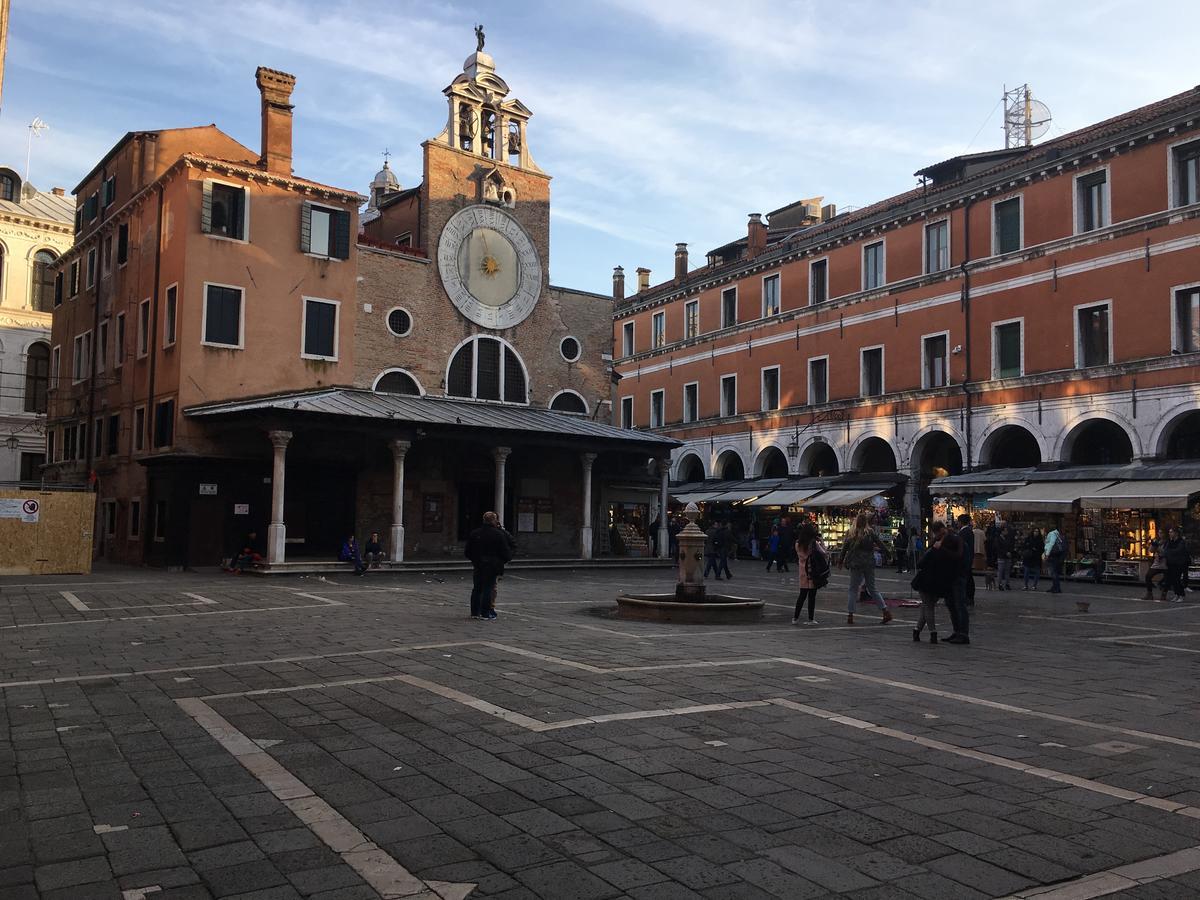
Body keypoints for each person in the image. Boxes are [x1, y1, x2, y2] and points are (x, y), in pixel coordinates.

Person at [839, 513, 892, 625]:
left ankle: (850, 615)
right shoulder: (870, 532)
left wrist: (840, 561)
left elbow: (844, 548)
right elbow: (880, 544)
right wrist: (888, 554)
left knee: (853, 589)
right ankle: (885, 611)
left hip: (856, 563)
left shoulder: (851, 533)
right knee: (872, 588)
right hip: (868, 563)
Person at [912, 524, 960, 644]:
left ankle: (933, 633)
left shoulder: (935, 547)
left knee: (927, 606)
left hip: (927, 579)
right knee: (927, 606)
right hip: (941, 581)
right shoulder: (951, 548)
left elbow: (921, 563)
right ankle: (917, 631)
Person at [464, 511, 513, 620]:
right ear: (494, 520)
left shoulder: (475, 533)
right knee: (488, 588)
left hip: (478, 564)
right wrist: (504, 560)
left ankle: (474, 612)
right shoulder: (498, 534)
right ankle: (485, 613)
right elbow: (505, 551)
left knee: (477, 588)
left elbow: (468, 551)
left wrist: (475, 560)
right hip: (492, 565)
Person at [947, 514, 974, 643]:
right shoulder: (965, 534)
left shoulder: (964, 536)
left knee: (959, 604)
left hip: (959, 574)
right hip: (956, 574)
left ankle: (962, 633)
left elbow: (963, 556)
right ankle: (957, 631)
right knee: (953, 604)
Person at [793, 522, 827, 625]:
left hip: (803, 573)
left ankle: (795, 618)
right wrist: (821, 542)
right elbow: (824, 553)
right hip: (813, 572)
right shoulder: (813, 544)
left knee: (802, 596)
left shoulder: (798, 544)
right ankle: (811, 618)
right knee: (812, 597)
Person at [1162, 527, 1191, 602]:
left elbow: (1178, 551)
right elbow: (1165, 550)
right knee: (1173, 579)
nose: (1170, 533)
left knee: (1177, 579)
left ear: (1176, 533)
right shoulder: (1169, 541)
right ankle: (1176, 594)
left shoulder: (1181, 541)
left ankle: (1181, 595)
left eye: (1171, 532)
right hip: (1170, 562)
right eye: (1169, 532)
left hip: (1179, 563)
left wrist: (1169, 552)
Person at [1043, 522, 1066, 594]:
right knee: (1054, 572)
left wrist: (1046, 554)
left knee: (1054, 573)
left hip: (1053, 556)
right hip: (1057, 556)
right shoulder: (1058, 534)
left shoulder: (1052, 534)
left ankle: (1057, 588)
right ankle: (1055, 587)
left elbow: (1051, 544)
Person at [1144, 535, 1168, 601]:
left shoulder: (1167, 542)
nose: (1160, 534)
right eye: (1159, 532)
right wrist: (1153, 544)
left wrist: (1158, 548)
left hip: (1165, 563)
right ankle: (1149, 593)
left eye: (1161, 533)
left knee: (1167, 579)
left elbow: (1165, 553)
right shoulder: (1157, 541)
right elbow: (1150, 550)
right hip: (1157, 563)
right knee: (1148, 576)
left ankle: (1164, 593)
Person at [995, 523, 1015, 590]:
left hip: (1007, 556)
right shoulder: (998, 538)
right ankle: (1000, 584)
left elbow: (1011, 545)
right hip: (1001, 556)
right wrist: (1005, 552)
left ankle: (1007, 583)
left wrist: (1010, 552)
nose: (1006, 532)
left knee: (1007, 571)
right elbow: (998, 548)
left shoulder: (1008, 538)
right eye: (1005, 531)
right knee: (1000, 571)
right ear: (1002, 531)